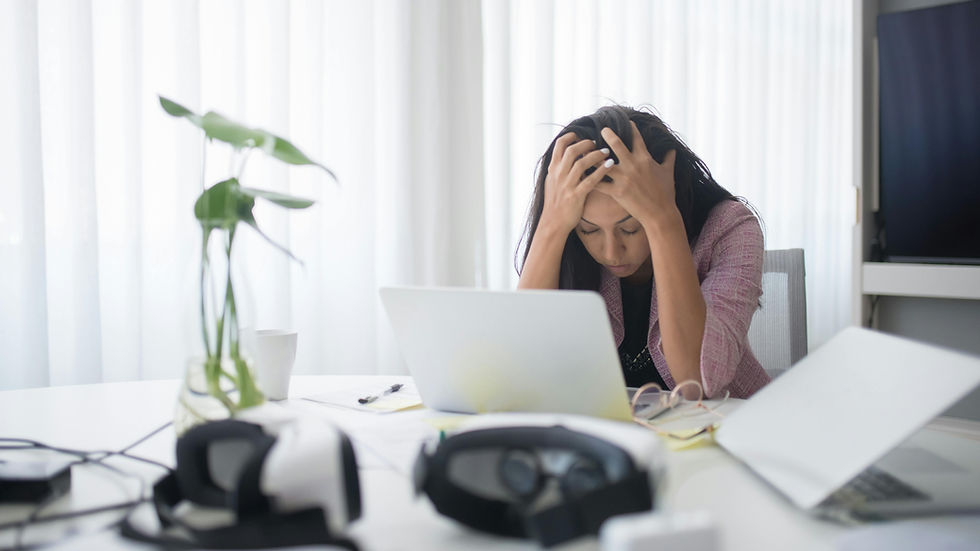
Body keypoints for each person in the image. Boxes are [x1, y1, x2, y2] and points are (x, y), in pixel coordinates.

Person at [516, 105, 769, 399]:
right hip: (610, 434)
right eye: (589, 230)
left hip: (722, 431)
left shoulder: (730, 227)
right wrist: (552, 225)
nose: (612, 253)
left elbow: (697, 383)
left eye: (631, 228)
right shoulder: (566, 237)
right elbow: (523, 367)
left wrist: (663, 220)